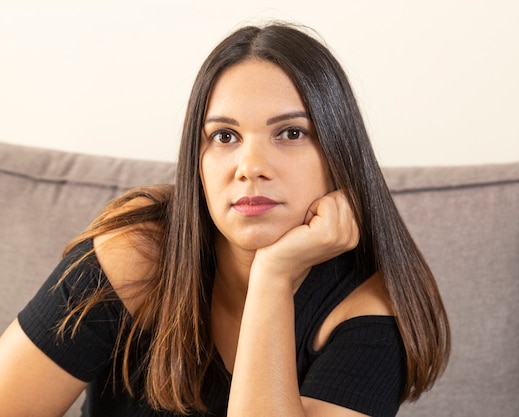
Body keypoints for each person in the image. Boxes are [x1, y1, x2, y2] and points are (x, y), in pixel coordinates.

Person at [0, 22, 450, 417]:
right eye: (225, 136)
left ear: (337, 154)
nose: (250, 166)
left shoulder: (370, 310)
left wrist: (272, 277)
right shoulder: (137, 252)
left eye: (291, 133)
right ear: (197, 160)